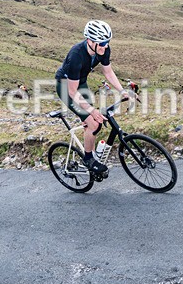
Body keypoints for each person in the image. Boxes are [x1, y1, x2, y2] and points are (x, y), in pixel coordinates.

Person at [54, 20, 130, 173]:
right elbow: (72, 92)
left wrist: (122, 90)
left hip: (80, 83)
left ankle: (90, 150)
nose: (105, 46)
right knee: (93, 123)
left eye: (107, 42)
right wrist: (91, 111)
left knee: (94, 123)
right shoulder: (76, 55)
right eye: (102, 43)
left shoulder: (103, 49)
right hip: (66, 87)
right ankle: (88, 159)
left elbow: (108, 72)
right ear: (90, 41)